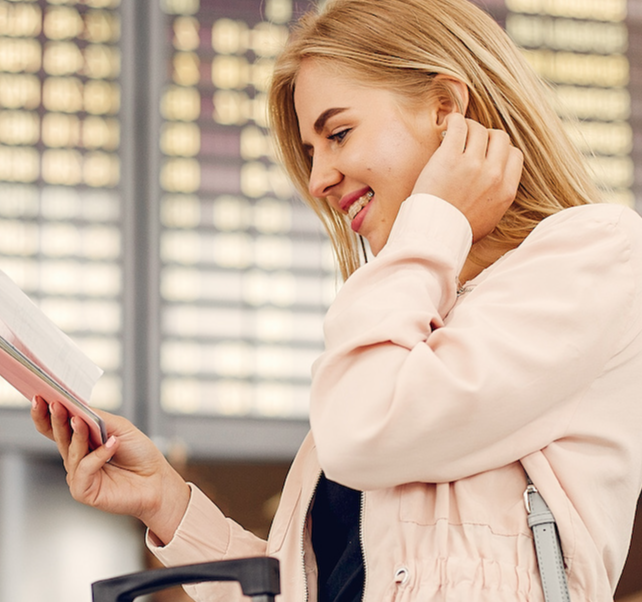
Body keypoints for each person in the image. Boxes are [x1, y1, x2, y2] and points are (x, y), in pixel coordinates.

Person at [31, 0, 642, 600]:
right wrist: (166, 503)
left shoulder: (596, 254)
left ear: (447, 110)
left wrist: (436, 220)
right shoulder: (409, 316)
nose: (319, 179)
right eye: (310, 152)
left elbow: (364, 433)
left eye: (338, 133)